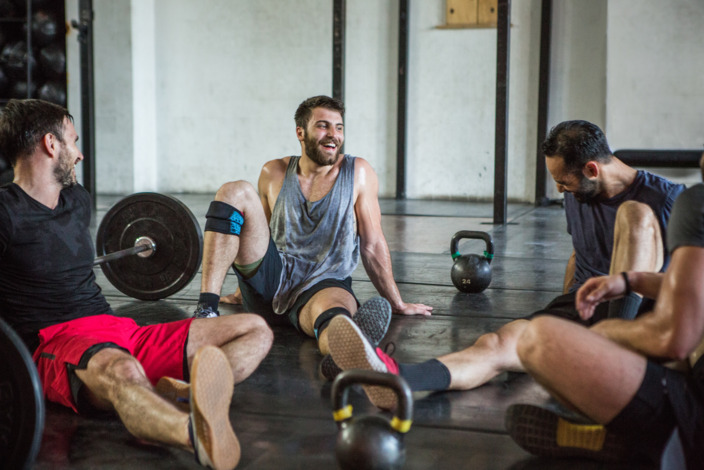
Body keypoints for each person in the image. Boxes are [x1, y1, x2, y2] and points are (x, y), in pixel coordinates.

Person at [327, 120, 685, 409]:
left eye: (564, 182)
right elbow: (581, 256)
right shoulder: (579, 193)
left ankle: (613, 360)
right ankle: (397, 378)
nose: (560, 190)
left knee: (634, 214)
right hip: (586, 307)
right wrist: (563, 311)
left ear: (593, 168)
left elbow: (689, 282)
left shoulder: (667, 200)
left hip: (639, 316)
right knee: (495, 343)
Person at [0, 99, 273, 470]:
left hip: (119, 330)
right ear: (51, 145)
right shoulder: (5, 212)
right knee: (125, 373)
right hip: (58, 342)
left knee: (255, 329)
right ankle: (197, 433)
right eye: (73, 141)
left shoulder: (77, 200)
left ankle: (181, 396)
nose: (79, 155)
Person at [192, 95, 432, 376]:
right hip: (269, 282)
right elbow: (256, 237)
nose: (334, 135)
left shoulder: (358, 173)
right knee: (233, 191)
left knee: (335, 320)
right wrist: (237, 291)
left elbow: (372, 244)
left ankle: (352, 355)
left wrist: (396, 302)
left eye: (339, 127)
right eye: (323, 126)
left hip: (324, 284)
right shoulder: (274, 172)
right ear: (300, 132)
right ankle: (206, 311)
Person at [505, 165, 704, 468]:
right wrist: (630, 281)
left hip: (694, 415)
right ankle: (634, 436)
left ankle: (663, 442)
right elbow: (694, 290)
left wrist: (608, 333)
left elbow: (673, 339)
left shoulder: (695, 204)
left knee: (538, 340)